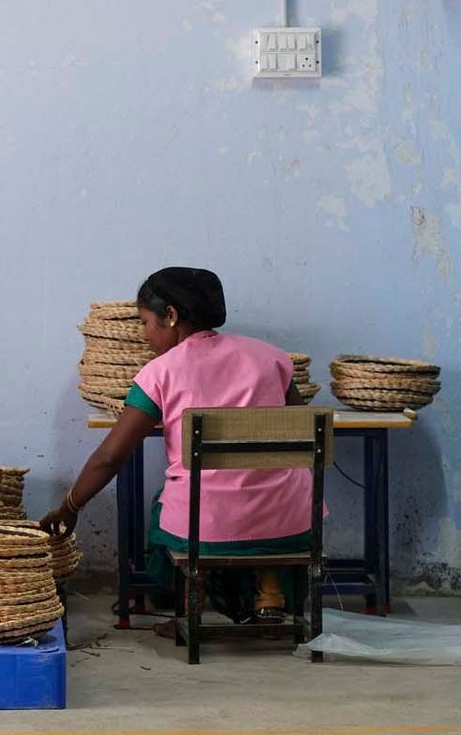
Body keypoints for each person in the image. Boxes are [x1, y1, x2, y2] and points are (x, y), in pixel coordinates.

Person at [40, 267, 312, 628]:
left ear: (171, 316)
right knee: (261, 492)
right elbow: (301, 428)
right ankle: (270, 592)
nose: (144, 335)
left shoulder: (160, 373)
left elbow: (110, 457)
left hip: (206, 529)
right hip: (290, 521)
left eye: (147, 322)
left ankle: (191, 604)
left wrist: (71, 505)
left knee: (166, 505)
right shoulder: (272, 358)